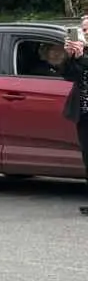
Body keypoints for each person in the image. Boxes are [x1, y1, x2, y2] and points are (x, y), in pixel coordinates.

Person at [63, 19, 88, 214]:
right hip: (85, 114)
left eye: (87, 29)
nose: (84, 32)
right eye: (83, 29)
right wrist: (73, 56)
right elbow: (69, 76)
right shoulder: (81, 53)